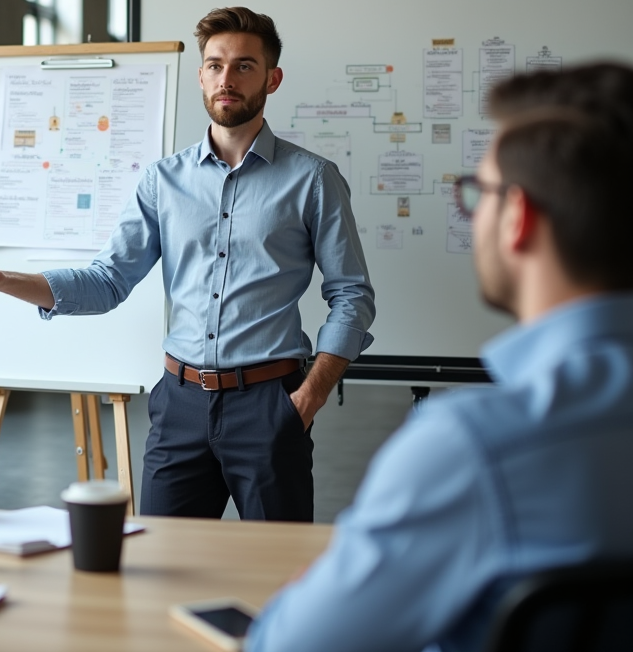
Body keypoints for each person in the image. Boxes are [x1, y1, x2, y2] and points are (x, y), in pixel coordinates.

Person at [0, 7, 375, 520]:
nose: (227, 79)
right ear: (200, 75)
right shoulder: (163, 181)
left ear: (272, 78)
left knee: (276, 563)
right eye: (215, 65)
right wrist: (6, 281)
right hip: (179, 406)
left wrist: (309, 398)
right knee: (158, 558)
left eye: (244, 66)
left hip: (271, 404)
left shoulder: (313, 180)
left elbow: (352, 295)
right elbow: (107, 281)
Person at [246, 64, 633, 652]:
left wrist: (304, 593)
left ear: (518, 218)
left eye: (478, 193)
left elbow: (289, 646)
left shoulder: (471, 448)